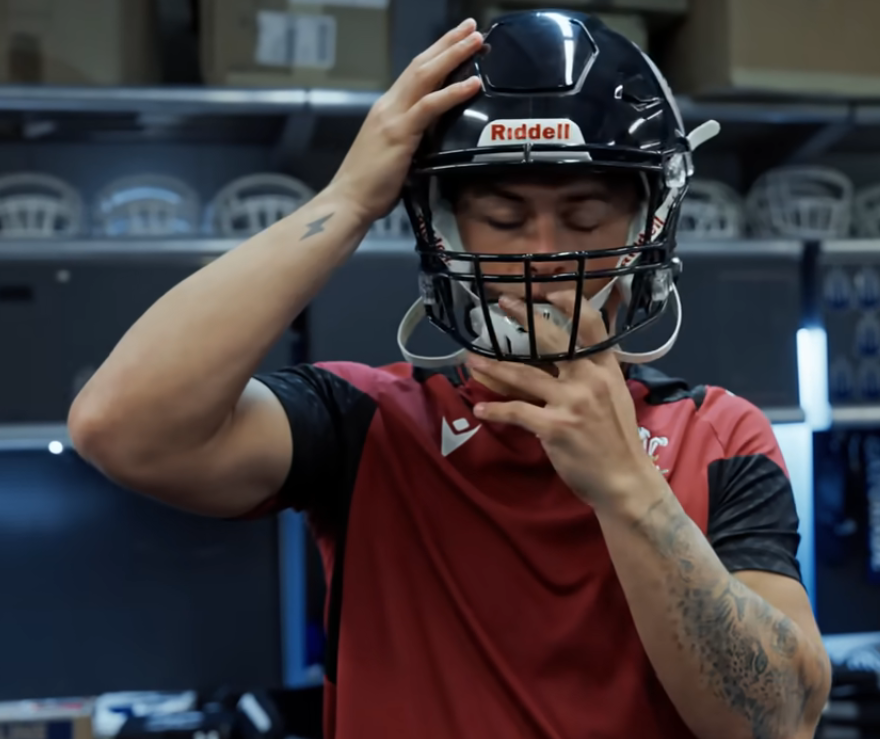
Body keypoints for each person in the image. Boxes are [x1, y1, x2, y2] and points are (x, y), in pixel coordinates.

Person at [68, 10, 831, 739]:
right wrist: (349, 199)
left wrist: (628, 489)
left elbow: (776, 718)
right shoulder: (371, 425)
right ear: (444, 229)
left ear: (645, 225)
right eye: (502, 219)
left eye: (586, 216)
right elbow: (121, 426)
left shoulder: (719, 432)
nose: (545, 254)